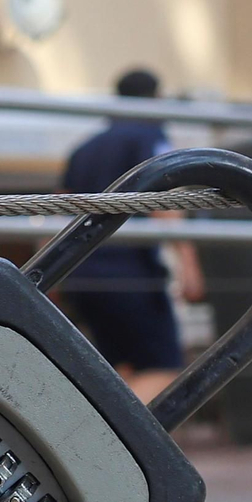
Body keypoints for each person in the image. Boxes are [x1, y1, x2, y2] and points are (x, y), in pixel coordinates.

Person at [60, 68, 205, 402]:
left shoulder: (84, 149)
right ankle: (100, 441)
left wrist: (51, 274)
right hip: (132, 274)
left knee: (116, 371)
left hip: (83, 276)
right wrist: (189, 265)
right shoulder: (148, 133)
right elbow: (165, 202)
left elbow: (62, 209)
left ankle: (101, 437)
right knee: (164, 369)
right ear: (156, 98)